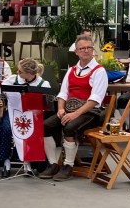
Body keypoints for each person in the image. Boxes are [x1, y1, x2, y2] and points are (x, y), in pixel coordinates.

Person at [39, 35, 108, 180]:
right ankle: (53, 164)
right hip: (69, 111)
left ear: (93, 50)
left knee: (69, 127)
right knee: (45, 126)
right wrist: (60, 109)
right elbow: (63, 93)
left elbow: (95, 100)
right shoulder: (71, 70)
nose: (86, 51)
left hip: (90, 113)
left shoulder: (99, 71)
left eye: (89, 48)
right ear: (76, 52)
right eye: (82, 48)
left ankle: (68, 166)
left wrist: (74, 114)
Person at [0, 58, 51, 177]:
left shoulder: (43, 84)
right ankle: (6, 162)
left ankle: (29, 161)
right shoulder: (12, 80)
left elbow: (46, 104)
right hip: (13, 113)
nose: (17, 73)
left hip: (32, 116)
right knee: (6, 129)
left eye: (20, 71)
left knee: (33, 132)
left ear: (30, 73)